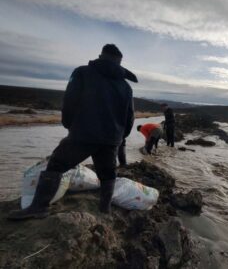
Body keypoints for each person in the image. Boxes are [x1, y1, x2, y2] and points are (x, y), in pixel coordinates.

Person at [8, 44, 136, 220]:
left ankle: (39, 207)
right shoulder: (126, 86)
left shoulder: (82, 72)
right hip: (111, 139)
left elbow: (70, 101)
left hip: (84, 133)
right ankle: (104, 209)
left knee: (56, 165)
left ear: (100, 56)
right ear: (120, 63)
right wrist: (120, 136)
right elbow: (130, 117)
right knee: (107, 173)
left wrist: (69, 125)